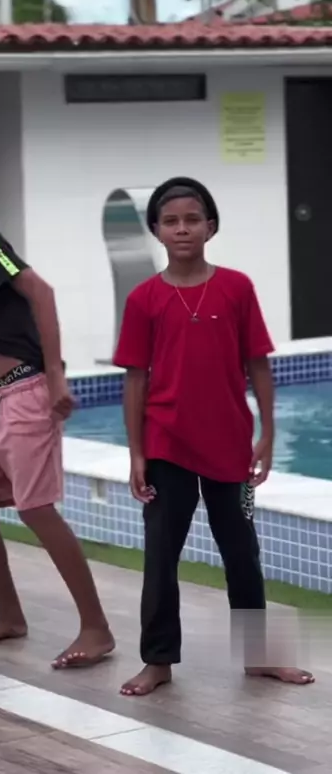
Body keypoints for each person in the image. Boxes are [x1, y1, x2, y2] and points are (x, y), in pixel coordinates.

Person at [113, 176, 314, 697]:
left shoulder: (237, 288)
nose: (182, 229)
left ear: (211, 226)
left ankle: (259, 656)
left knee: (243, 551)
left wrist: (268, 432)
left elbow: (258, 363)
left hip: (230, 446)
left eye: (192, 219)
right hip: (166, 445)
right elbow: (135, 379)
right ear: (156, 230)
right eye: (171, 221)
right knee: (161, 555)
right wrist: (136, 452)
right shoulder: (143, 299)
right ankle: (157, 660)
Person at [0, 148, 114, 668]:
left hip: (27, 391)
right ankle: (9, 615)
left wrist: (55, 375)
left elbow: (42, 292)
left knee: (36, 509)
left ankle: (97, 629)